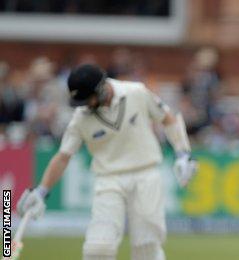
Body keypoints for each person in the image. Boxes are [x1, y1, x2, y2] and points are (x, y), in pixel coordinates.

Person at [16, 64, 198, 260]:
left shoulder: (136, 92)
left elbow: (168, 118)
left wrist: (183, 154)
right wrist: (41, 191)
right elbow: (63, 156)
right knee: (98, 249)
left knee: (147, 247)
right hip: (108, 180)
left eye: (88, 99)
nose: (85, 105)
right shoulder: (81, 118)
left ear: (101, 89)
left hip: (145, 175)